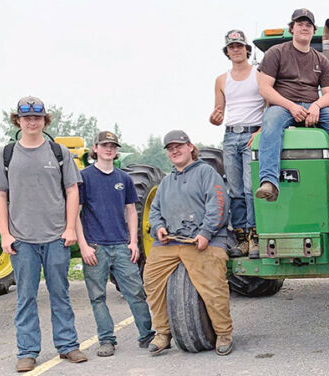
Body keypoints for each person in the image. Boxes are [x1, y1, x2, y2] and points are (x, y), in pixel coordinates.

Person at [0, 96, 87, 372]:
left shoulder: (59, 153)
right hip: (22, 241)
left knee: (60, 293)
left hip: (56, 237)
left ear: (45, 121)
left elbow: (72, 191)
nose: (32, 122)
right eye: (26, 117)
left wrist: (69, 228)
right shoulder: (6, 155)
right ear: (18, 121)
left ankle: (68, 345)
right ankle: (27, 351)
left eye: (38, 117)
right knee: (26, 297)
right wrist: (5, 235)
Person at [143, 130, 233, 356]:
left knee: (213, 286)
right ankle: (163, 333)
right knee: (152, 281)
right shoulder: (166, 181)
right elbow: (154, 212)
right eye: (170, 148)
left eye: (179, 146)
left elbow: (218, 205)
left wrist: (206, 232)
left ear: (190, 147)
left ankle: (223, 333)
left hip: (202, 240)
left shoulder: (206, 173)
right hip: (170, 242)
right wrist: (159, 228)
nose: (174, 151)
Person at [255, 8, 329, 202]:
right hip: (283, 106)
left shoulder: (321, 60)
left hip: (312, 105)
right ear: (292, 28)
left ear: (313, 30)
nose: (304, 28)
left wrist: (316, 106)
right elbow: (264, 89)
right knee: (271, 122)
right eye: (300, 24)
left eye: (308, 25)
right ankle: (269, 182)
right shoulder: (277, 52)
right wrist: (291, 106)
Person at [75, 130, 155, 357]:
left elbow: (131, 210)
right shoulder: (84, 178)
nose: (109, 149)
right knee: (97, 297)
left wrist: (133, 242)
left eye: (113, 145)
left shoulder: (124, 179)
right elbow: (75, 214)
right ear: (95, 149)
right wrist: (83, 245)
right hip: (95, 247)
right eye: (104, 145)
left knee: (136, 292)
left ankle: (146, 334)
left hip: (121, 245)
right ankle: (106, 339)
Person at [210, 29, 264, 258]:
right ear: (227, 52)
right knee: (235, 191)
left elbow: (271, 107)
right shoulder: (221, 80)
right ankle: (241, 238)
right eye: (232, 47)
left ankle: (256, 237)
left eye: (240, 46)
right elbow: (218, 112)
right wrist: (214, 118)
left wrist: (261, 132)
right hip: (231, 136)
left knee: (251, 189)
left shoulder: (259, 75)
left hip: (253, 134)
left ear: (247, 49)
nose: (237, 50)